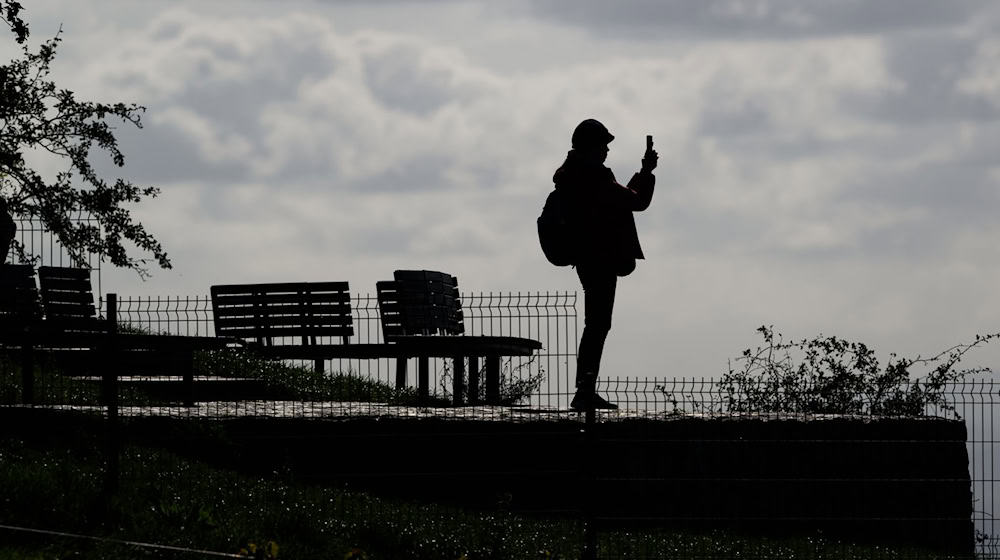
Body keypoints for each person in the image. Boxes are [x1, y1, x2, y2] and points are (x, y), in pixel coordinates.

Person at [553, 119, 656, 411]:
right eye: (603, 145)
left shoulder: (575, 175)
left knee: (596, 324)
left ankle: (585, 388)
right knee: (598, 325)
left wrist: (642, 172)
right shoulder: (592, 177)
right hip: (598, 258)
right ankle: (585, 390)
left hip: (588, 258)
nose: (607, 151)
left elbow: (624, 199)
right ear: (592, 147)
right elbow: (637, 202)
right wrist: (647, 172)